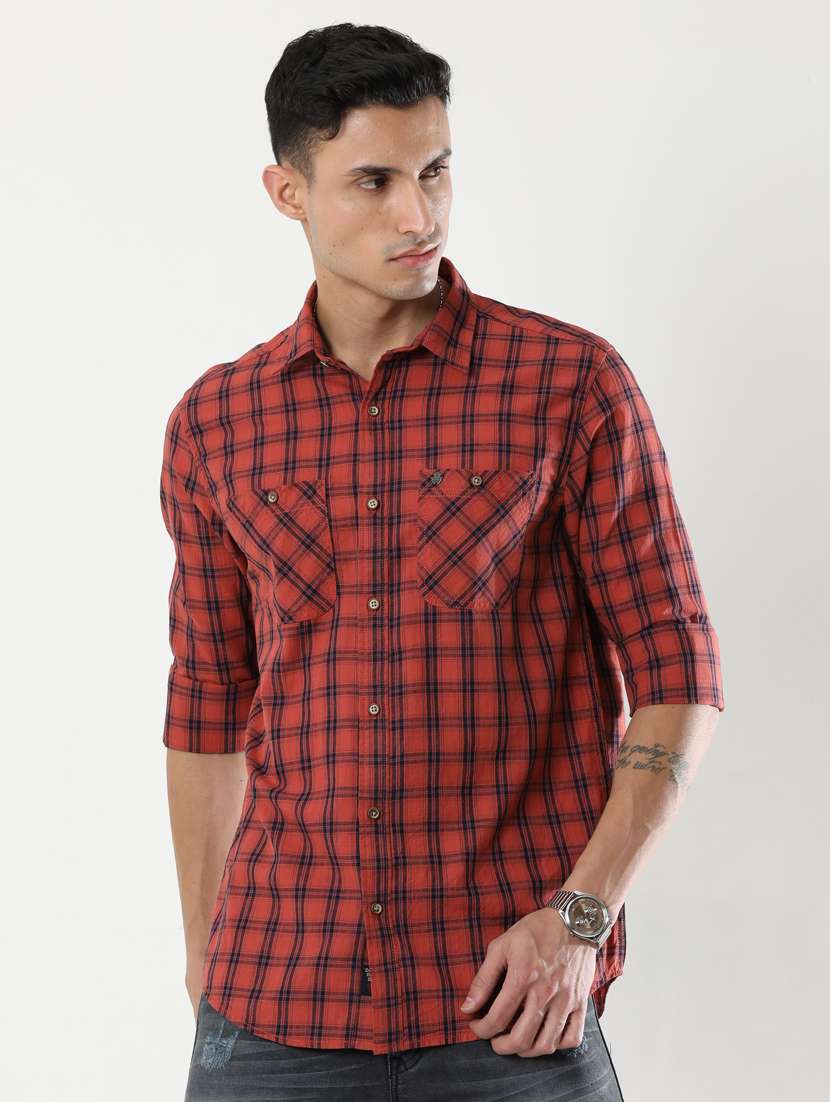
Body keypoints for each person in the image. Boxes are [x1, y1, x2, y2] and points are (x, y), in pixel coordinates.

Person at [159, 21, 725, 1102]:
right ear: (287, 192)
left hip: (510, 1002)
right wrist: (204, 957)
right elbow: (206, 707)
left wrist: (581, 916)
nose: (417, 215)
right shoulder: (217, 424)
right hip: (274, 1000)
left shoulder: (569, 385)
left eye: (434, 171)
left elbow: (678, 669)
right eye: (373, 182)